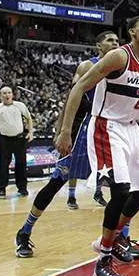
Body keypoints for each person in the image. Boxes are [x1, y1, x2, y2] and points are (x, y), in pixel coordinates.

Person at [56, 16, 139, 276]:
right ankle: (102, 260)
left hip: (132, 128)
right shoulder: (118, 57)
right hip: (107, 126)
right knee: (120, 191)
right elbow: (80, 85)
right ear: (131, 32)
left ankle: (113, 238)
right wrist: (66, 129)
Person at [15, 32, 119, 259]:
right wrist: (63, 131)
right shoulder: (86, 66)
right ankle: (24, 231)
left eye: (117, 41)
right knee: (56, 182)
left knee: (122, 186)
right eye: (109, 40)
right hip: (84, 128)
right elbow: (71, 98)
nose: (115, 44)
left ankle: (121, 238)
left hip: (110, 131)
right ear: (98, 45)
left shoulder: (121, 67)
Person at [0, 86, 33, 198]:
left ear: (12, 94)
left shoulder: (20, 105)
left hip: (19, 139)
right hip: (5, 140)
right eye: (4, 93)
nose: (7, 95)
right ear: (0, 95)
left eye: (9, 92)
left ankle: (22, 188)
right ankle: (1, 189)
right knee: (3, 165)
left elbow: (29, 118)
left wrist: (31, 132)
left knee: (21, 164)